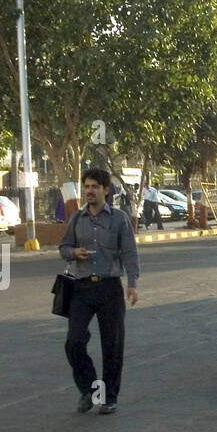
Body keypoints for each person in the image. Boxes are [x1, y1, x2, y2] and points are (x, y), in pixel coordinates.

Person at [58, 167, 139, 414]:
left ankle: (109, 397)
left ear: (106, 190)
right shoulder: (76, 218)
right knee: (74, 342)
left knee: (112, 346)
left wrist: (133, 284)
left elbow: (129, 253)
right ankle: (91, 390)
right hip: (81, 288)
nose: (90, 191)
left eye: (95, 186)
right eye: (87, 186)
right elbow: (63, 247)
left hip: (110, 289)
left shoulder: (119, 219)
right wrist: (74, 253)